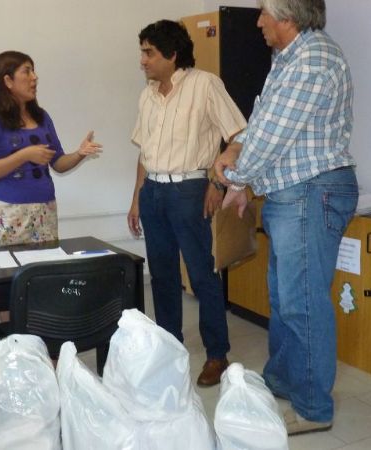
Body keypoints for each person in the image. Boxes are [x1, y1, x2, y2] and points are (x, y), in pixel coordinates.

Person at [214, 0, 358, 434]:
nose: (257, 21)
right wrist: (240, 171)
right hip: (293, 193)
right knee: (283, 297)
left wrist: (233, 176)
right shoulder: (287, 58)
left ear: (288, 17)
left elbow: (268, 140)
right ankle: (280, 379)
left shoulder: (312, 59)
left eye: (264, 12)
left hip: (310, 193)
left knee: (304, 303)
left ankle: (313, 407)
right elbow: (261, 124)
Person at [127, 20, 247, 387]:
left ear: (172, 54)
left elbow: (239, 136)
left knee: (200, 275)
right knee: (162, 276)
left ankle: (217, 354)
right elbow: (145, 153)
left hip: (189, 191)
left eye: (149, 52)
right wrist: (136, 198)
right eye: (142, 52)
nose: (143, 60)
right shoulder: (147, 94)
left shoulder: (205, 84)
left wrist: (218, 181)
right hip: (154, 194)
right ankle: (169, 346)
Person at [0, 50, 101, 248]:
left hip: (44, 209)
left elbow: (58, 163)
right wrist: (24, 155)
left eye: (34, 71)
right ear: (8, 81)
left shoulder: (41, 116)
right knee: (11, 274)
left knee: (44, 274)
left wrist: (79, 154)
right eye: (27, 71)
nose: (35, 77)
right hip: (8, 212)